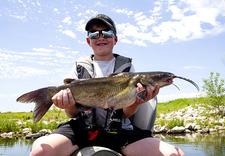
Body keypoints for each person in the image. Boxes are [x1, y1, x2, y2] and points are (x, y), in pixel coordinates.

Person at [30, 14, 185, 156]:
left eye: (107, 33)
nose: (101, 37)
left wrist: (137, 102)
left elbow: (125, 113)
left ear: (115, 39)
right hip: (82, 130)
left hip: (120, 131)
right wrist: (68, 105)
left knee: (176, 154)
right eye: (94, 34)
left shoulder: (128, 69)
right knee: (39, 151)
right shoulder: (78, 67)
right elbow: (72, 114)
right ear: (88, 40)